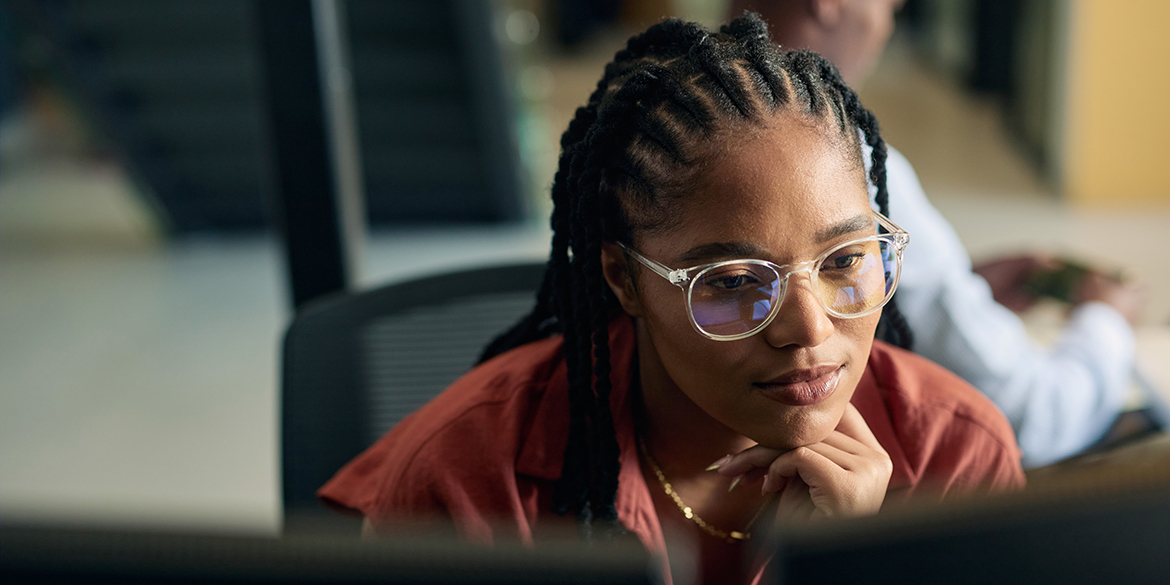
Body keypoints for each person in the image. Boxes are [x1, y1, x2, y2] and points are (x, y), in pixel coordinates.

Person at [319, 14, 1024, 585]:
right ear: (624, 280)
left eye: (845, 260)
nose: (810, 330)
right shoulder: (469, 483)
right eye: (736, 282)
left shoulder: (955, 458)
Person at [731, 0, 1147, 467]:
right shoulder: (848, 164)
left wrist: (957, 288)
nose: (887, 24)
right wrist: (1107, 321)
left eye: (846, 262)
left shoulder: (670, 125)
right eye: (890, 3)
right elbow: (1031, 414)